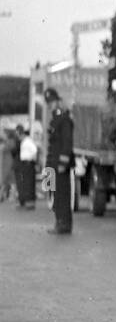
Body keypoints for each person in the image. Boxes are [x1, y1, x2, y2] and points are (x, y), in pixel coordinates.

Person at [44, 89, 74, 235]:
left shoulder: (64, 119)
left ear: (57, 101)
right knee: (55, 194)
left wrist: (63, 163)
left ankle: (65, 224)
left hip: (60, 166)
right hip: (53, 166)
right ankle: (59, 222)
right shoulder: (55, 119)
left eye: (51, 102)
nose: (50, 105)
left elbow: (67, 143)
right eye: (48, 103)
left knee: (63, 195)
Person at [17, 126, 38, 209]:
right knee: (26, 182)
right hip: (25, 163)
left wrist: (31, 158)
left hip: (28, 163)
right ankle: (28, 202)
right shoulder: (24, 141)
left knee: (29, 183)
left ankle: (30, 202)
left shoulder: (28, 141)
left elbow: (34, 150)